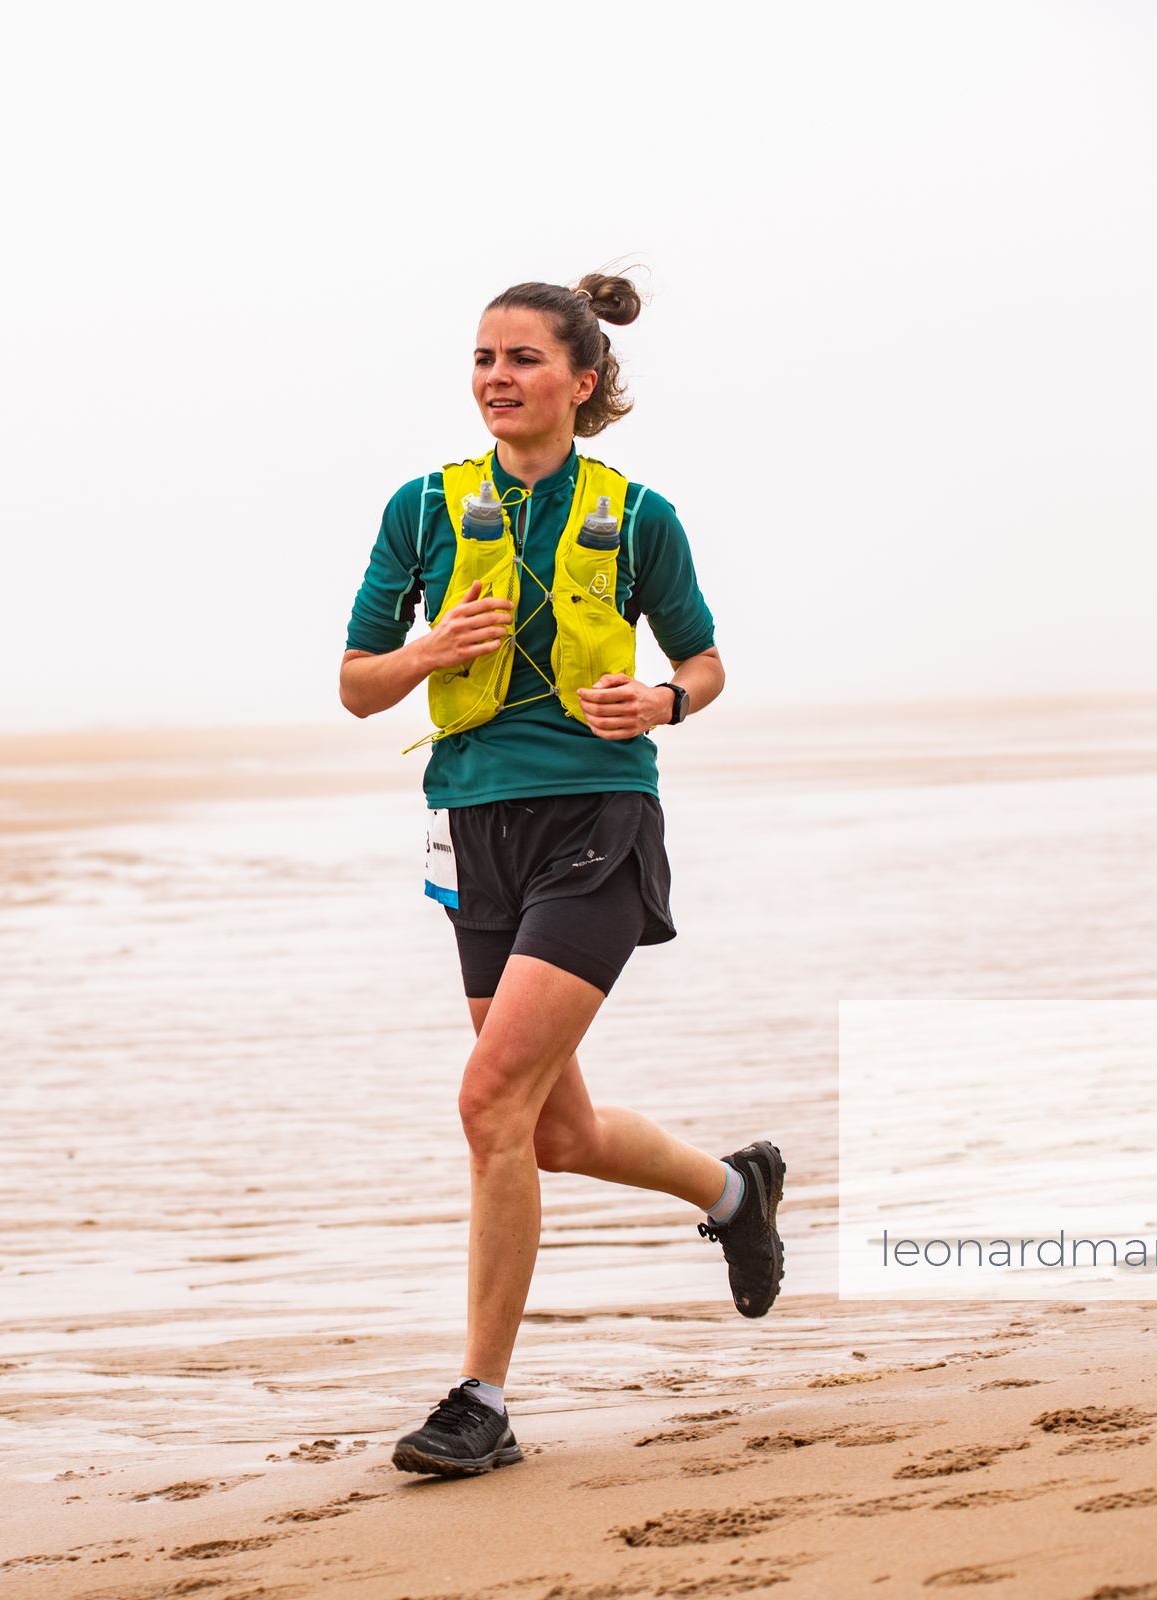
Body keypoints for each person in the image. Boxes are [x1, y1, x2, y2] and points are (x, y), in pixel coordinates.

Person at [338, 272, 785, 1479]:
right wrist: (430, 649)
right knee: (554, 1131)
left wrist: (665, 700)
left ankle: (479, 1400)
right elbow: (358, 683)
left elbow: (704, 660)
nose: (497, 378)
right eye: (484, 358)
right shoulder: (421, 509)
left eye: (523, 358)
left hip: (598, 817)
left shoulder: (638, 516)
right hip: (473, 827)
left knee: (489, 1102)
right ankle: (735, 1193)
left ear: (582, 382)